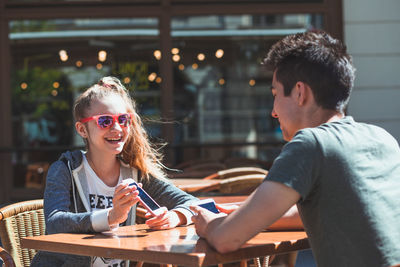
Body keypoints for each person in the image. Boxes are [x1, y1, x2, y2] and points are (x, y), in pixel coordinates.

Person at [191, 31, 400, 267]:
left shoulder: (311, 144)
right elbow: (321, 213)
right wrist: (243, 213)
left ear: (300, 93)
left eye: (275, 94)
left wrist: (209, 223)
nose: (273, 111)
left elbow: (226, 239)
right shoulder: (382, 139)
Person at [31, 76, 198, 267]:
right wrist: (111, 216)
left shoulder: (135, 174)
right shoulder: (64, 169)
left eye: (123, 120)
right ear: (82, 129)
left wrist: (175, 217)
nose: (117, 128)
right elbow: (54, 223)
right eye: (104, 121)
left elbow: (195, 204)